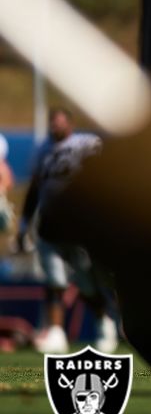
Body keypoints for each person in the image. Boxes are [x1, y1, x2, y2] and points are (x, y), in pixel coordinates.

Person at [19, 108, 117, 354]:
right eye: (53, 123)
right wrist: (24, 224)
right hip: (49, 227)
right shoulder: (43, 151)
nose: (55, 127)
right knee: (53, 281)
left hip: (77, 228)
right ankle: (56, 332)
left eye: (60, 123)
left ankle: (104, 322)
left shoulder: (86, 144)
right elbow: (34, 189)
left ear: (70, 124)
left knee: (85, 284)